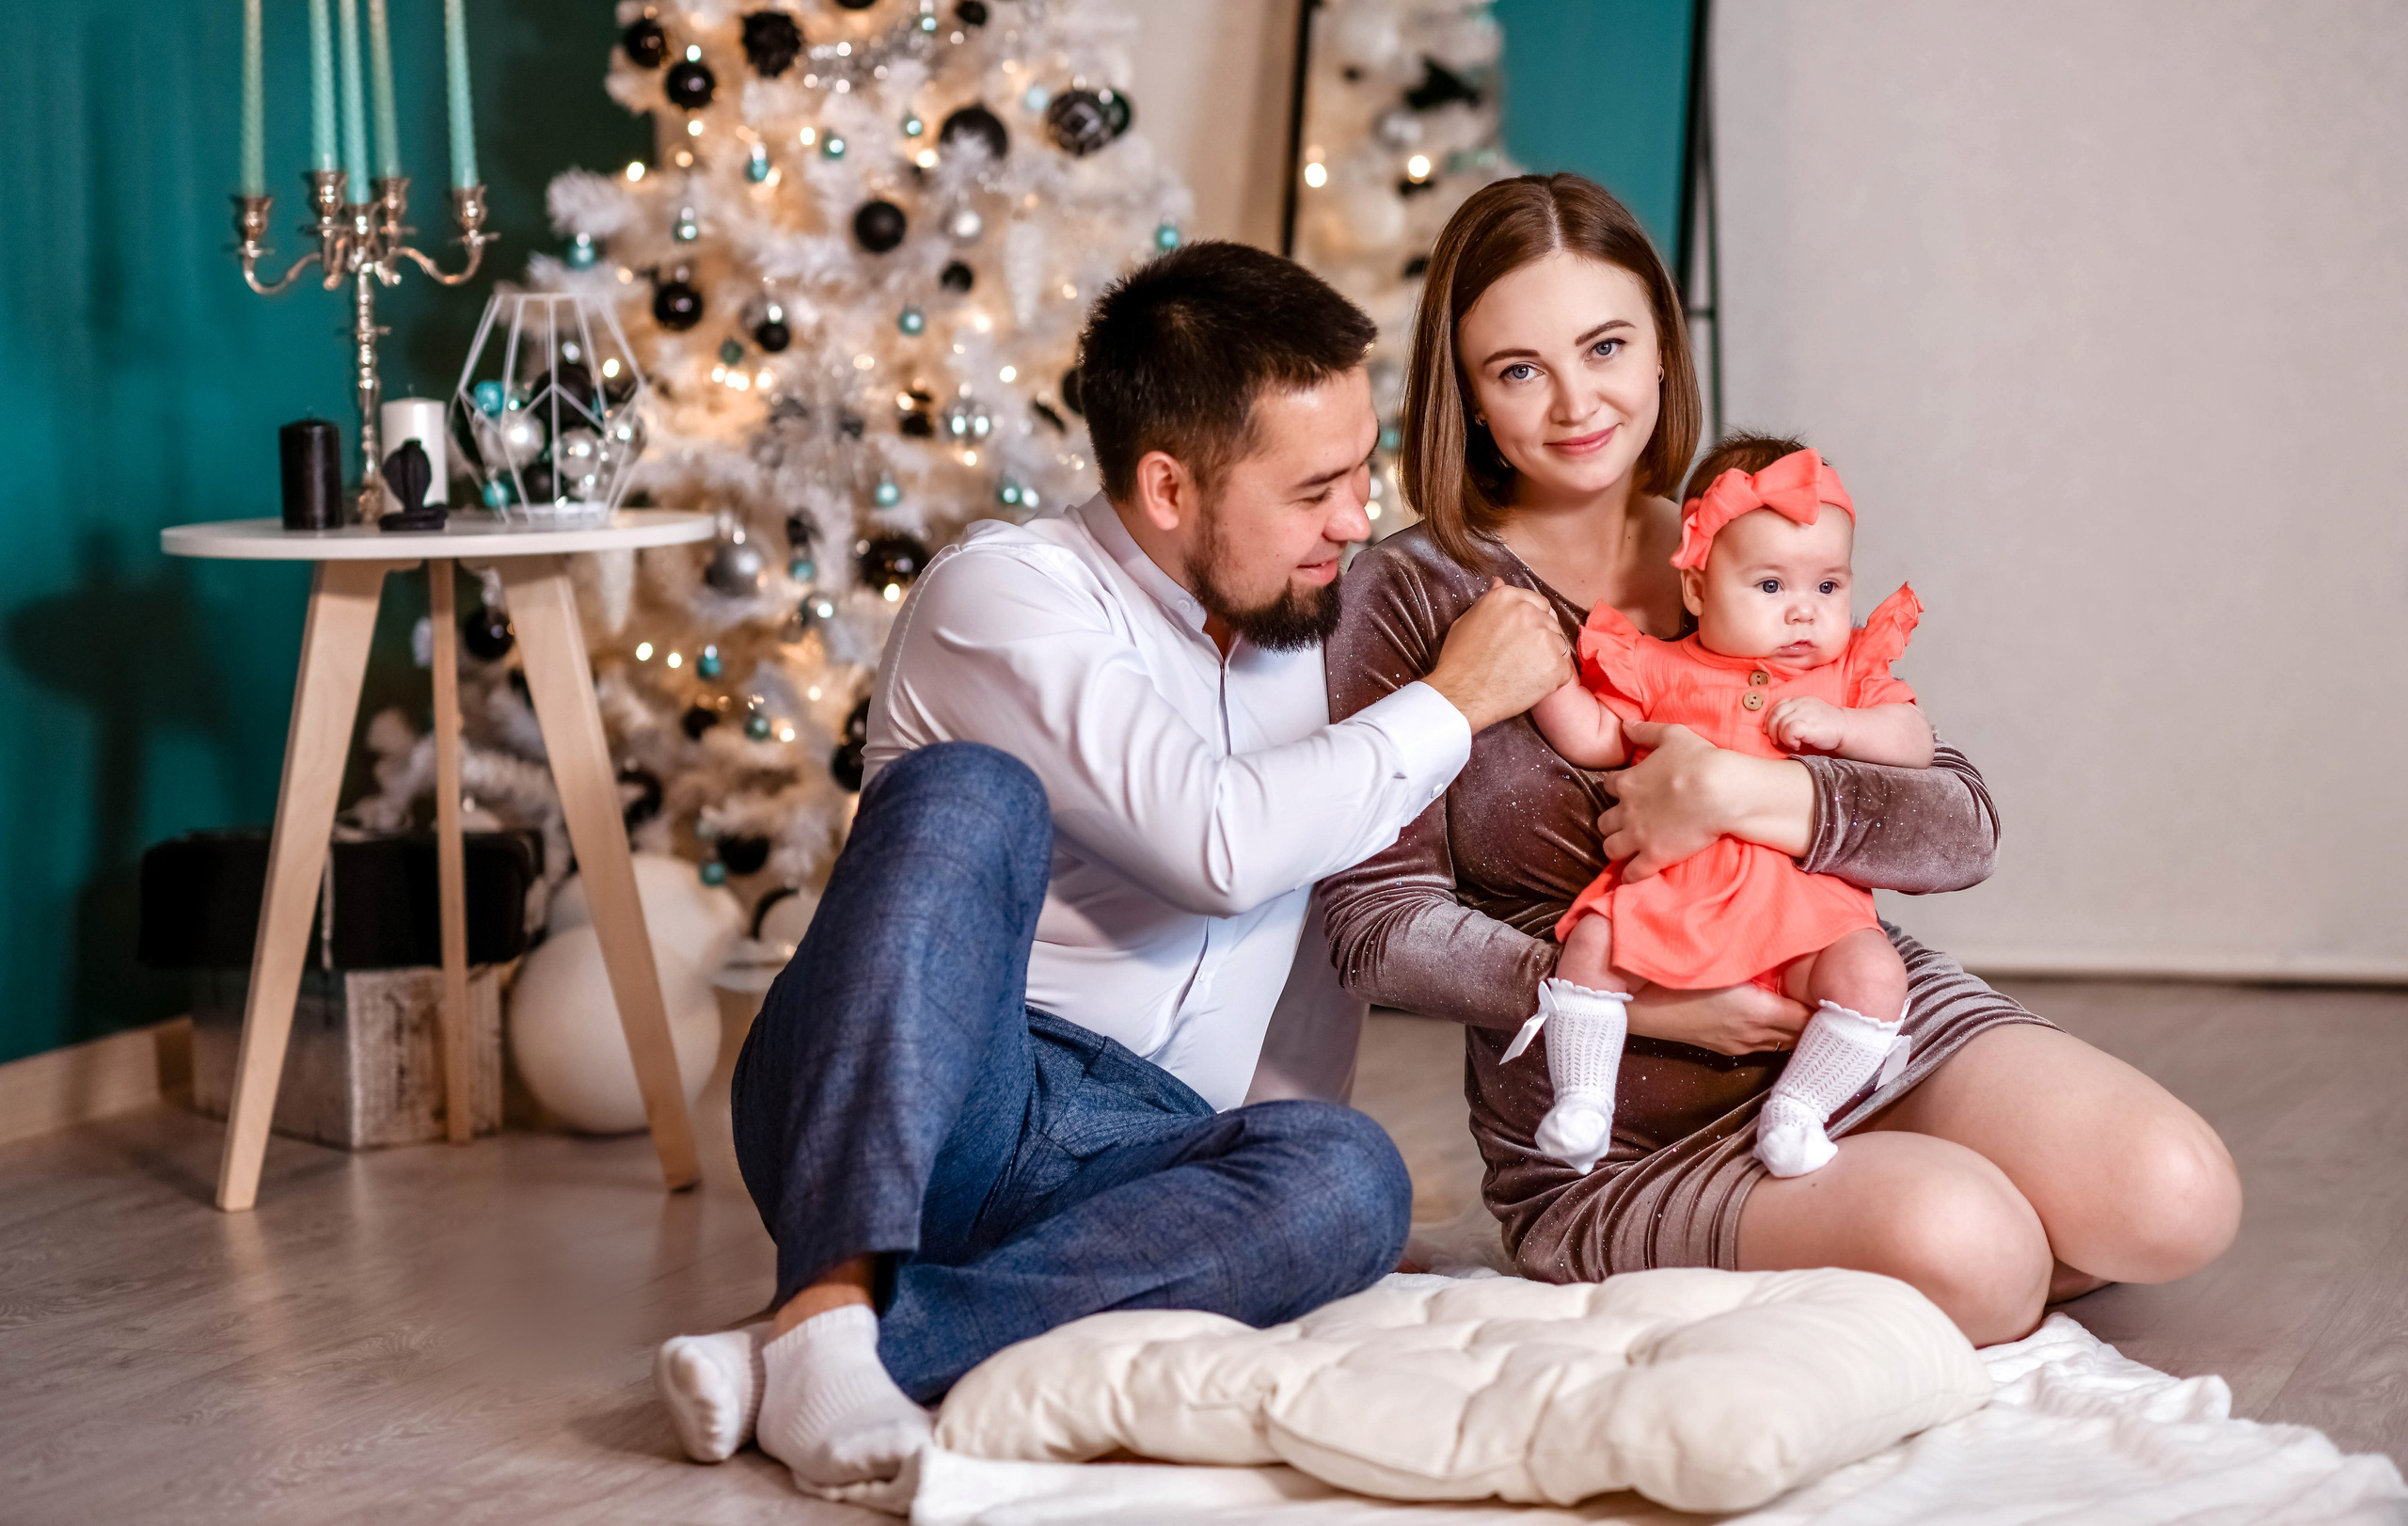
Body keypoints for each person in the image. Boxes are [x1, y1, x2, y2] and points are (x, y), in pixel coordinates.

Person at [652, 240, 1572, 1495]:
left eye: (1365, 468)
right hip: (932, 1094)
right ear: (1168, 487)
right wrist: (1452, 702)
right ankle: (825, 1295)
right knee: (965, 794)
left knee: (1351, 1177)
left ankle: (830, 1352)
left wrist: (1276, 1207)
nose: (1357, 518)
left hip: (1135, 1149)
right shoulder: (1006, 595)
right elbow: (1220, 846)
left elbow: (1315, 945)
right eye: (1315, 488)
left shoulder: (1317, 624)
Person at [1319, 173, 2241, 1348]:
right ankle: (1897, 1216)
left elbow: (1959, 825)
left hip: (1849, 1005)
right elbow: (1372, 922)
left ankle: (1897, 1191)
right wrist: (1652, 1002)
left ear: (1663, 348)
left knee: (2176, 1198)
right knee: (1982, 1258)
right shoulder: (1411, 591)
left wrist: (1747, 791)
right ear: (1466, 393)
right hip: (1618, 1120)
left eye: (1605, 347)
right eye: (1518, 369)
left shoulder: (1747, 535)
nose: (1576, 403)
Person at [1519, 439, 1929, 1182]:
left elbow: (1914, 741)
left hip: (1805, 911)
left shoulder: (1847, 673)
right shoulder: (1661, 667)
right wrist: (1544, 678)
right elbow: (1598, 735)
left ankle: (1799, 1111)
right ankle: (1583, 1099)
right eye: (1770, 585)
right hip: (1678, 895)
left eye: (1828, 585)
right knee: (1593, 944)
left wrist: (1846, 728)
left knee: (1874, 974)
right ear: (1698, 590)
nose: (1804, 610)